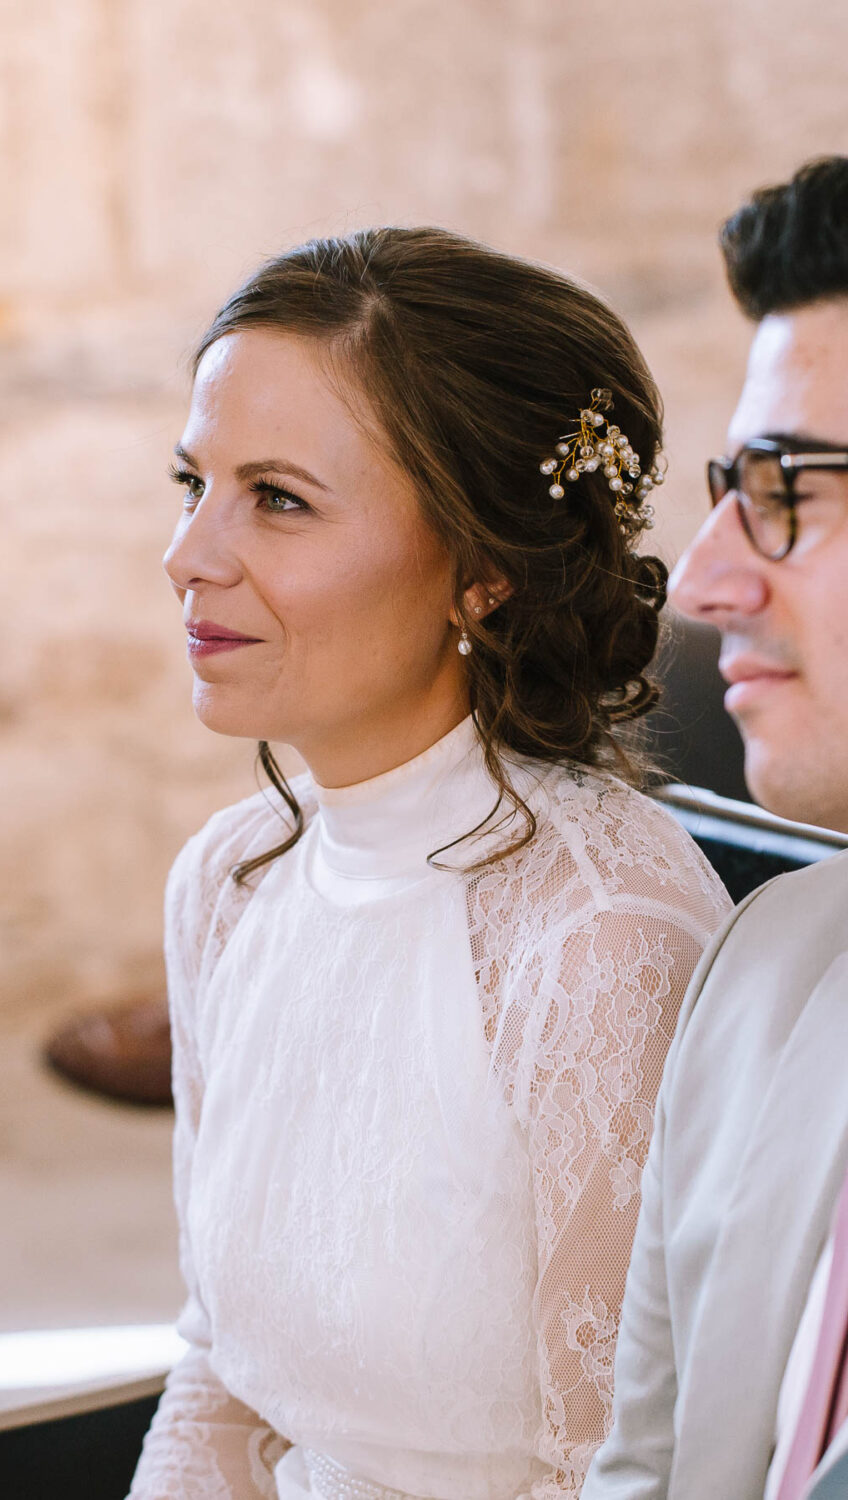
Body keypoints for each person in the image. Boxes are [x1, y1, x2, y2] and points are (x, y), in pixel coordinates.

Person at [127, 227, 731, 1500]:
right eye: (196, 484)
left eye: (278, 499)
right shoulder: (227, 886)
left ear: (483, 571)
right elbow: (220, 1374)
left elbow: (617, 1476)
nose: (190, 555)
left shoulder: (597, 936)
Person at [581, 157, 848, 1500]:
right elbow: (643, 1469)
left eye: (790, 489)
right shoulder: (762, 965)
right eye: (726, 487)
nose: (702, 578)